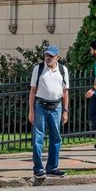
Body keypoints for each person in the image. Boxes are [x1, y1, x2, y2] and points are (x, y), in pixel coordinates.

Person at [28, 44, 70, 179]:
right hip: (40, 105)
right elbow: (33, 90)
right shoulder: (39, 68)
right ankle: (38, 169)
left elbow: (65, 92)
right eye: (46, 55)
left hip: (56, 107)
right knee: (38, 138)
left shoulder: (63, 70)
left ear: (57, 57)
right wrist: (31, 111)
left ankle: (52, 168)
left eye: (51, 56)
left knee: (56, 138)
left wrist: (65, 111)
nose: (48, 58)